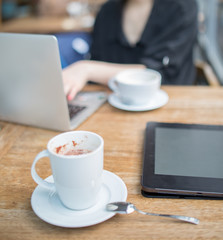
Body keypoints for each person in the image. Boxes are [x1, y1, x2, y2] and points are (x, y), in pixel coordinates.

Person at [63, 0, 198, 101]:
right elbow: (98, 64)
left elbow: (156, 73)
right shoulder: (107, 12)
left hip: (171, 106)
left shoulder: (180, 7)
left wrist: (87, 69)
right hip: (115, 106)